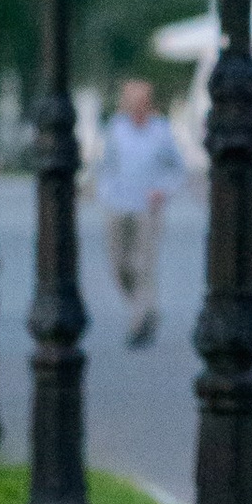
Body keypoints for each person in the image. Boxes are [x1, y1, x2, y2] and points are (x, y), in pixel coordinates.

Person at [95, 73, 184, 349]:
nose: (136, 108)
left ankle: (141, 317)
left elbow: (176, 167)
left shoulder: (160, 130)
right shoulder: (116, 128)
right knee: (119, 263)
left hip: (148, 206)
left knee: (144, 264)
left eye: (141, 103)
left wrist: (164, 189)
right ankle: (143, 305)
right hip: (118, 203)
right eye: (131, 103)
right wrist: (105, 191)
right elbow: (105, 164)